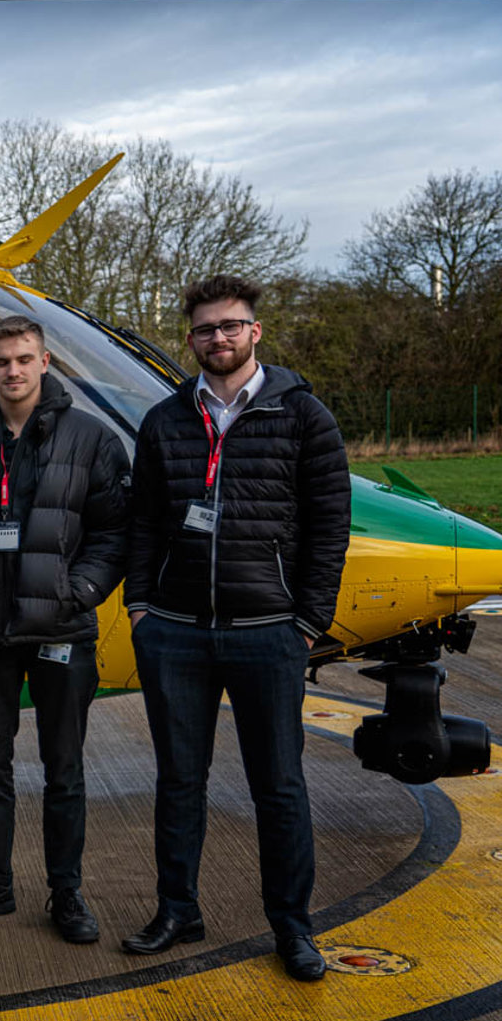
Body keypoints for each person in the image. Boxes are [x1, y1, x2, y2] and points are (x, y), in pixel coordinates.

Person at [121, 274, 351, 982]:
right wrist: (140, 605)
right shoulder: (164, 420)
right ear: (188, 338)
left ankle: (292, 926)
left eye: (231, 325)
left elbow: (329, 526)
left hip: (267, 630)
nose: (217, 337)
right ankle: (177, 908)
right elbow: (145, 521)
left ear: (255, 332)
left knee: (277, 785)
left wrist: (307, 619)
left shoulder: (303, 416)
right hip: (177, 632)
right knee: (178, 781)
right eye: (204, 329)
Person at [0, 315, 128, 942]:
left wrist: (82, 591)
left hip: (61, 633)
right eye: (0, 361)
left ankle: (66, 892)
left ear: (45, 362)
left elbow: (114, 532)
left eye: (23, 359)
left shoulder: (91, 439)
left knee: (63, 769)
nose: (12, 371)